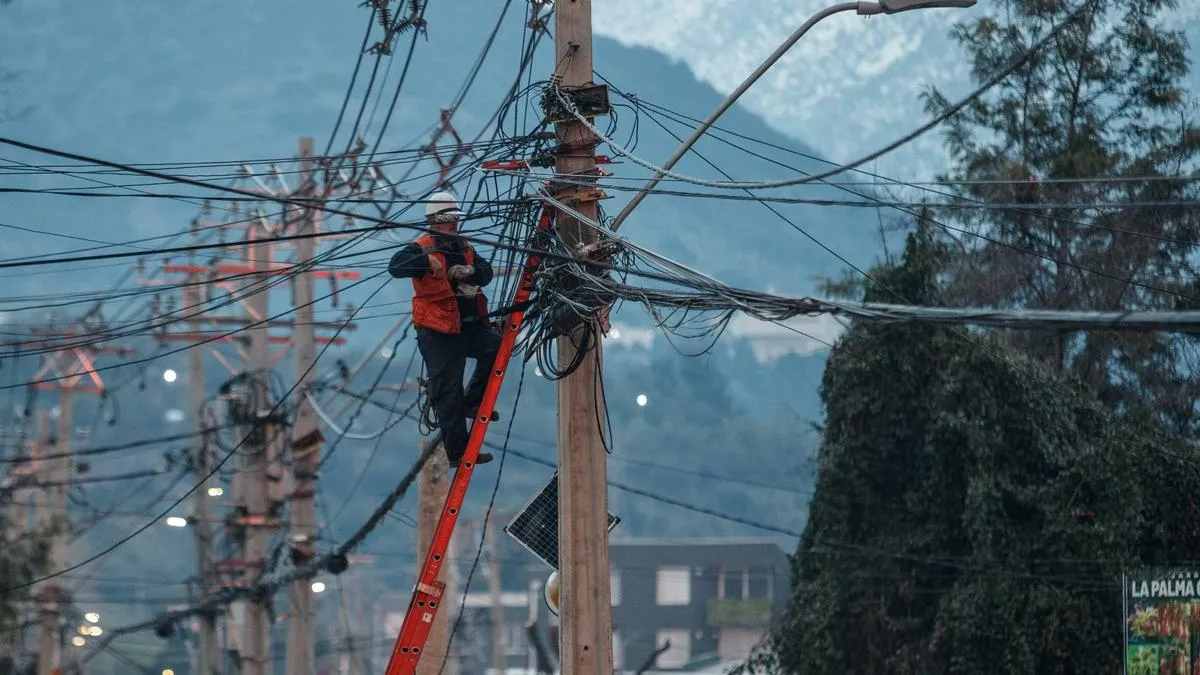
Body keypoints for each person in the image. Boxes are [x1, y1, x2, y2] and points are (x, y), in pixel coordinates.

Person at [388, 191, 500, 468]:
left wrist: (470, 273)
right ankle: (459, 454)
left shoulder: (463, 246)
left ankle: (473, 401)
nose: (454, 225)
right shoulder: (420, 247)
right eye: (449, 220)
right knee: (448, 391)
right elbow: (396, 266)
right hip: (437, 331)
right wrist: (426, 261)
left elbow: (486, 271)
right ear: (434, 222)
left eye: (455, 220)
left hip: (465, 326)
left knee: (496, 346)